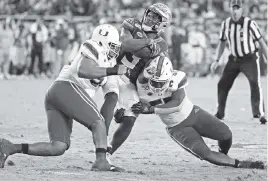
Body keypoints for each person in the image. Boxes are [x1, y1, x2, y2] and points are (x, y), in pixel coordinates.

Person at [0, 24, 126, 171]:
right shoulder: (93, 46)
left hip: (59, 95)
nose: (114, 49)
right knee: (97, 123)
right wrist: (114, 70)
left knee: (58, 147)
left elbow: (111, 97)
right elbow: (84, 70)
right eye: (112, 45)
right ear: (102, 41)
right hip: (67, 87)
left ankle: (9, 147)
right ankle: (101, 162)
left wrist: (105, 131)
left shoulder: (110, 63)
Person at [124, 55, 264, 169]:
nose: (156, 86)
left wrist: (150, 109)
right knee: (205, 154)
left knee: (226, 134)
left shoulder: (176, 79)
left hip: (193, 114)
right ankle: (237, 163)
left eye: (161, 83)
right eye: (154, 82)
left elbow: (177, 104)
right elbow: (136, 106)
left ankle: (223, 154)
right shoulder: (139, 85)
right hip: (176, 126)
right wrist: (125, 112)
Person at [100, 3, 171, 159]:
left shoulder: (162, 43)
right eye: (150, 14)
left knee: (131, 117)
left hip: (128, 81)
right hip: (111, 69)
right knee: (112, 99)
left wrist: (141, 46)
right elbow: (125, 44)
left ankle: (108, 152)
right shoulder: (132, 23)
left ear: (162, 23)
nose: (150, 17)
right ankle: (101, 142)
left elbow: (143, 52)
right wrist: (146, 43)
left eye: (155, 17)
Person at [210, 0, 267, 124]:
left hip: (249, 59)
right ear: (230, 9)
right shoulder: (225, 24)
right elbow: (222, 42)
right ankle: (220, 113)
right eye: (233, 8)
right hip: (234, 59)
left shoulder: (249, 23)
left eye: (237, 8)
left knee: (255, 83)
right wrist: (216, 60)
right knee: (222, 84)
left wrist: (267, 57)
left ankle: (259, 113)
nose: (235, 11)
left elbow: (261, 42)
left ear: (242, 10)